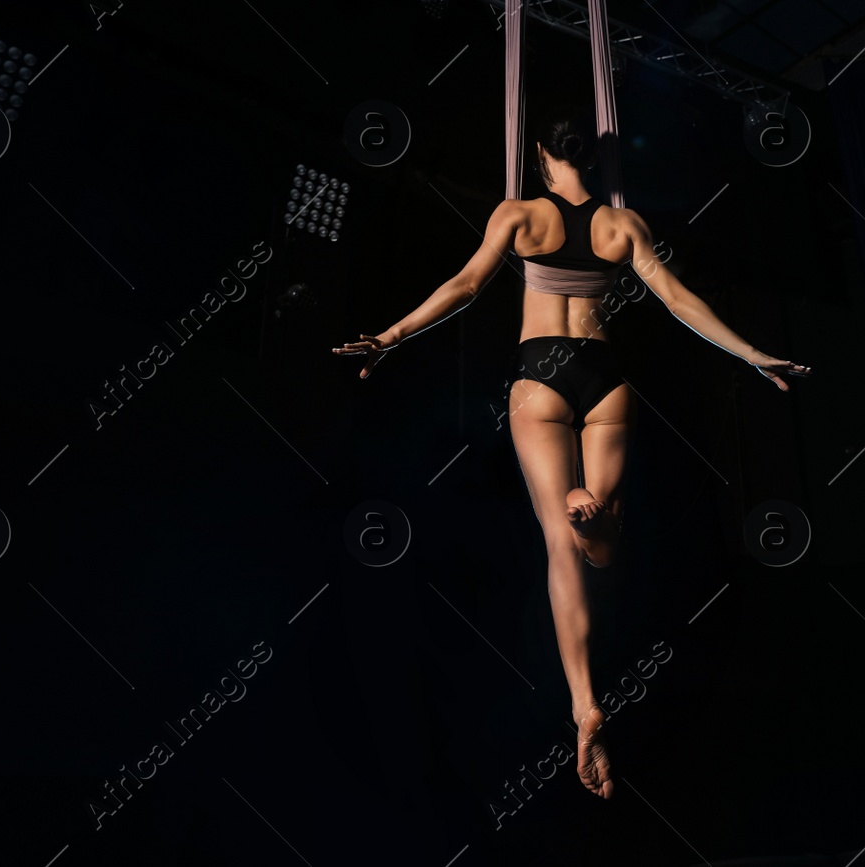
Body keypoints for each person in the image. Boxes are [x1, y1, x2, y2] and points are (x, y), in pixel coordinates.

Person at [335, 115, 808, 799]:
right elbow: (677, 300)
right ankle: (597, 518)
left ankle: (585, 698)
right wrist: (753, 353)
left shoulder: (520, 215)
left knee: (561, 545)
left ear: (537, 154)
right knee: (605, 544)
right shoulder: (625, 227)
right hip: (606, 378)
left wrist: (389, 335)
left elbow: (466, 286)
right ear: (593, 157)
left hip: (540, 379)